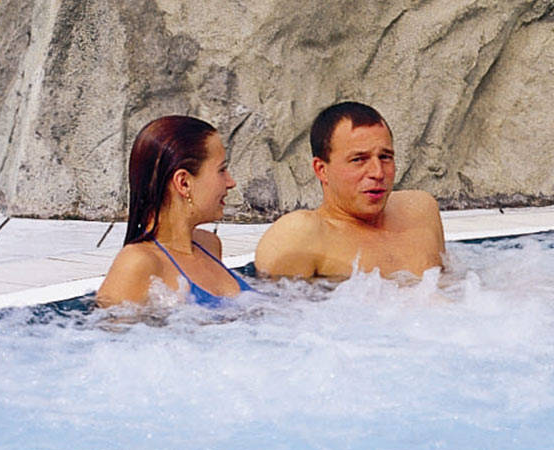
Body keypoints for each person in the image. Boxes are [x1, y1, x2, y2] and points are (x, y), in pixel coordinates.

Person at [254, 101, 447, 281]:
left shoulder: (420, 210)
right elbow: (272, 312)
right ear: (322, 170)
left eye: (385, 157)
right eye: (359, 159)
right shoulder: (301, 236)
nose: (378, 173)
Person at [95, 115, 252, 307]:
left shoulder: (209, 245)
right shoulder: (137, 264)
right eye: (222, 170)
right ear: (184, 183)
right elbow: (105, 335)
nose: (231, 182)